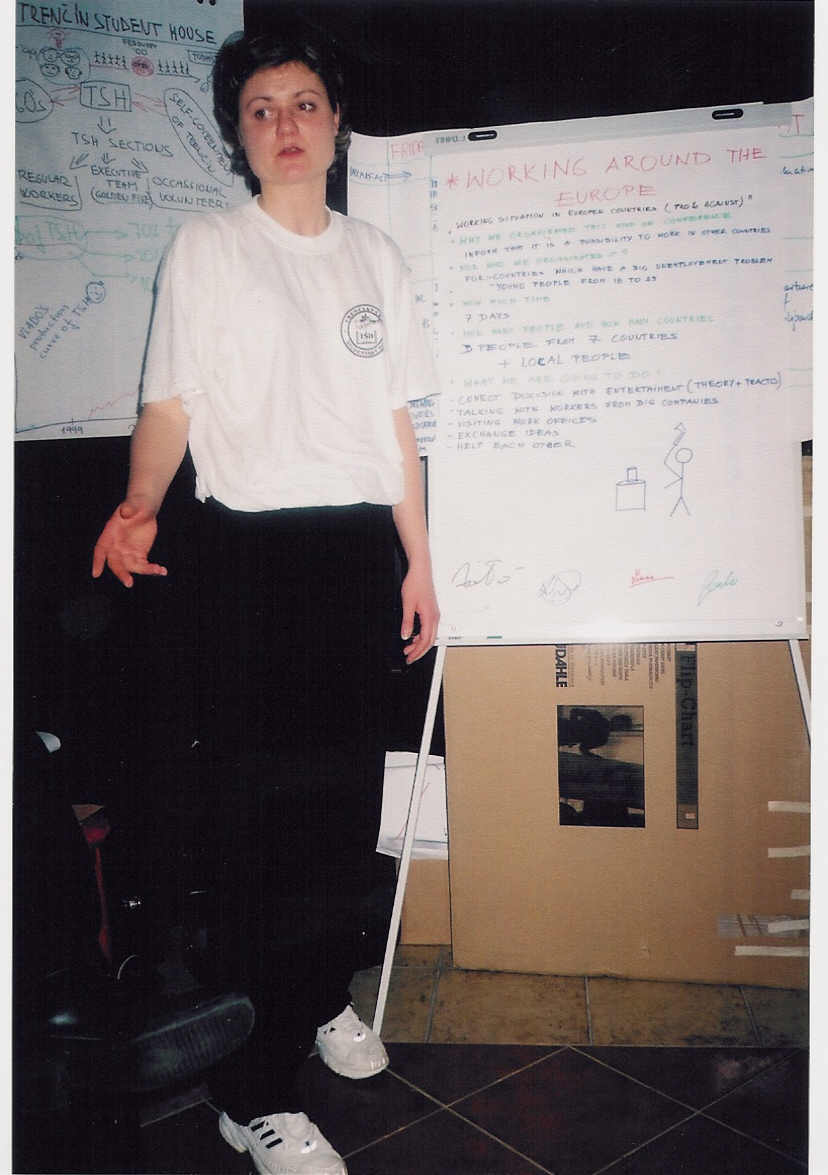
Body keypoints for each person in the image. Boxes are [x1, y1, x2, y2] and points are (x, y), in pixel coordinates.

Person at [91, 26, 439, 1175]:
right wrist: (141, 502)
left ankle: (316, 989)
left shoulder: (376, 255)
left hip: (356, 555)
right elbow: (170, 403)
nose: (286, 125)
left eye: (304, 103)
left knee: (341, 812)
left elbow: (395, 426)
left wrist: (418, 561)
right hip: (250, 561)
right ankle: (249, 1094)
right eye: (260, 109)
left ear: (337, 123)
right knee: (258, 821)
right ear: (238, 137)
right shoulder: (206, 247)